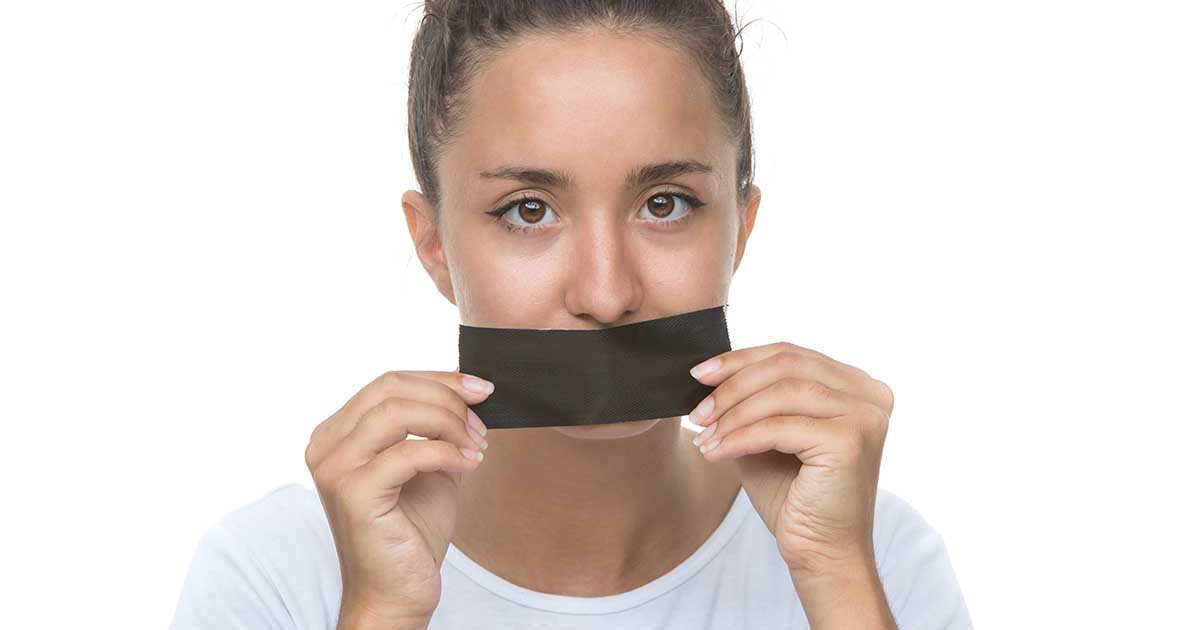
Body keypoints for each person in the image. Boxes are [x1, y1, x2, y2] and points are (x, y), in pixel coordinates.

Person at [169, 1, 973, 628]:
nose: (605, 292)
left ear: (740, 230)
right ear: (435, 247)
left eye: (666, 203)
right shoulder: (275, 574)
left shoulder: (873, 558)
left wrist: (837, 582)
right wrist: (382, 612)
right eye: (528, 210)